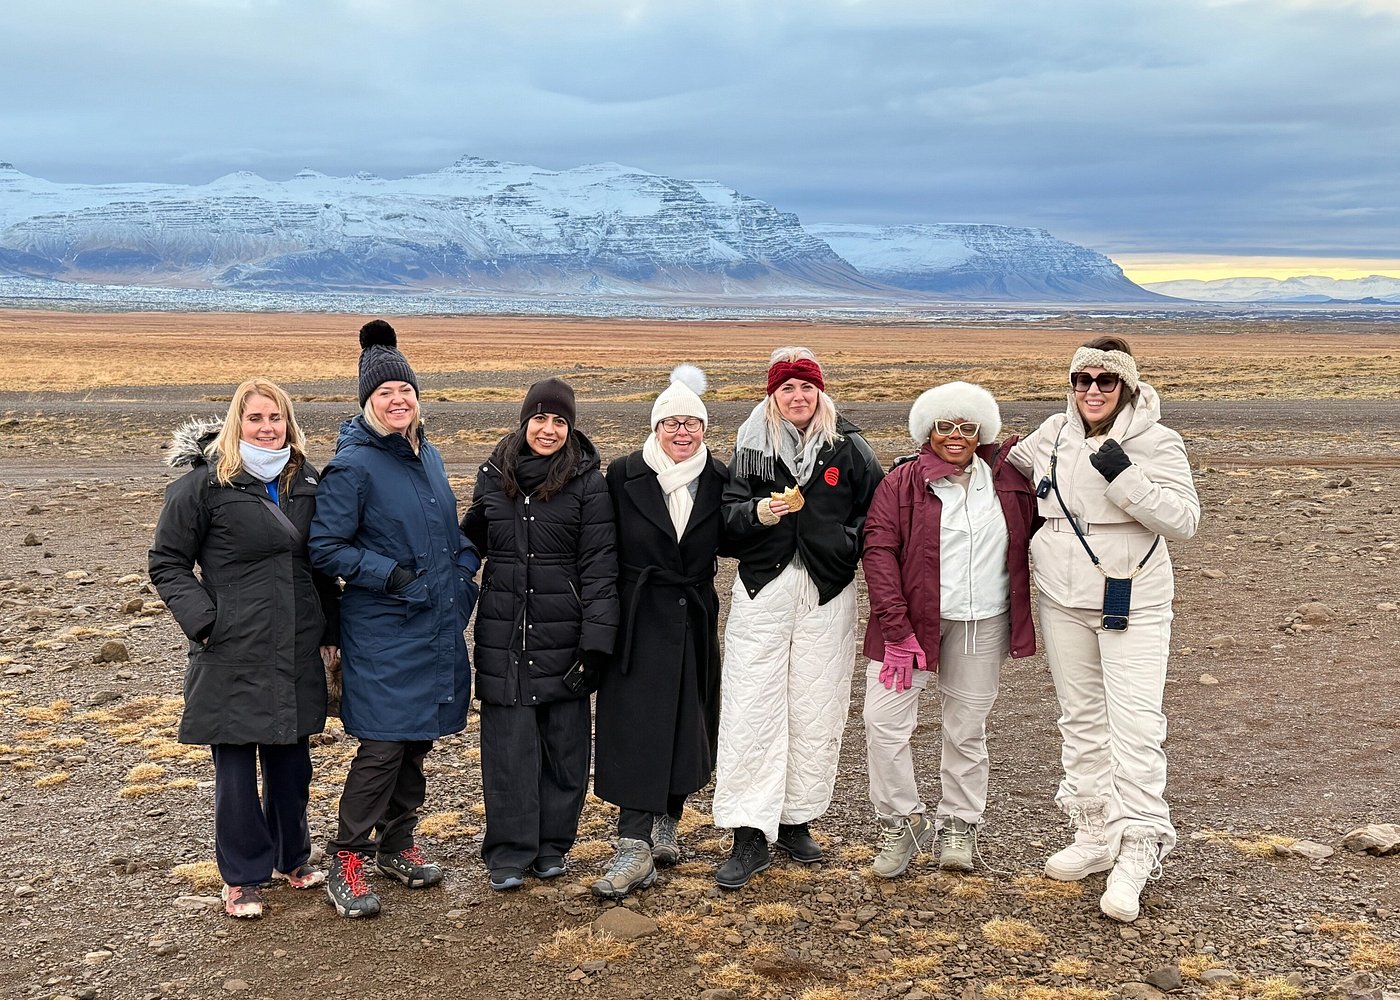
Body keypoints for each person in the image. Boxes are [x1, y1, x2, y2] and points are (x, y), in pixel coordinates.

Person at [1009, 335, 1200, 923]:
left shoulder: (1157, 442)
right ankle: (1094, 830)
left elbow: (1183, 520)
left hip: (1132, 601)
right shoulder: (1052, 434)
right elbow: (1007, 464)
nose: (1092, 391)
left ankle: (1140, 848)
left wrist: (1123, 475)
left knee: (1136, 725)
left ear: (1128, 387)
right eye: (1082, 380)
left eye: (1105, 381)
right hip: (1061, 597)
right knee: (1081, 718)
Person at [308, 320, 480, 919]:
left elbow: (447, 529)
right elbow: (326, 547)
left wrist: (463, 575)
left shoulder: (425, 454)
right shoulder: (353, 466)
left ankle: (398, 843)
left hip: (433, 624)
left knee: (415, 743)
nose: (398, 400)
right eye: (385, 394)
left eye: (404, 390)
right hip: (383, 628)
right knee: (382, 745)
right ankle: (348, 857)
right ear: (367, 403)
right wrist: (393, 576)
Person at [149, 379, 339, 919]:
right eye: (255, 417)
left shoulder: (304, 479)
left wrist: (331, 629)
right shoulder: (204, 485)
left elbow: (319, 562)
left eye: (275, 417)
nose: (266, 427)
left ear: (289, 422)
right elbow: (166, 561)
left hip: (296, 639)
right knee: (235, 763)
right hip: (232, 643)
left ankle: (290, 857)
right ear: (237, 423)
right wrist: (206, 622)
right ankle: (241, 876)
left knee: (291, 759)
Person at [712, 346, 883, 889]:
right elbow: (724, 522)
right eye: (787, 388)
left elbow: (877, 510)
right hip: (763, 588)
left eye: (806, 387)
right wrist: (759, 513)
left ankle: (795, 819)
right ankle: (747, 832)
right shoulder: (750, 448)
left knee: (817, 702)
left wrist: (844, 542)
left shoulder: (848, 445)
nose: (798, 397)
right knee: (750, 702)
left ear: (820, 392)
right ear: (773, 395)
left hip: (826, 590)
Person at [860, 382, 1038, 879]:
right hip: (909, 629)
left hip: (981, 624)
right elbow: (878, 554)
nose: (955, 435)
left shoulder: (1008, 480)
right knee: (884, 723)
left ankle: (959, 823)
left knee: (966, 730)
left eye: (966, 426)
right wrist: (895, 630)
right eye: (944, 425)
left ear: (982, 429)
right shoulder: (902, 483)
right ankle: (901, 820)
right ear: (928, 429)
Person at [462, 376, 619, 892]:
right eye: (540, 419)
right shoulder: (494, 475)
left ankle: (552, 847)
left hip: (566, 637)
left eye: (559, 421)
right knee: (507, 751)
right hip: (505, 635)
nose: (548, 430)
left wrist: (596, 644)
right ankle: (509, 851)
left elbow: (600, 566)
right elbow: (471, 543)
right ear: (524, 420)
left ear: (570, 428)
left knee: (564, 751)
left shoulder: (588, 483)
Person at [591, 366, 730, 898]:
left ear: (703, 429)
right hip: (638, 614)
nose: (681, 432)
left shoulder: (717, 477)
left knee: (687, 716)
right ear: (655, 428)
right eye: (671, 422)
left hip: (693, 612)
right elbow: (601, 548)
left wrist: (768, 517)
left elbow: (735, 532)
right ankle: (632, 843)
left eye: (691, 423)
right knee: (636, 722)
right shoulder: (624, 475)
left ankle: (667, 822)